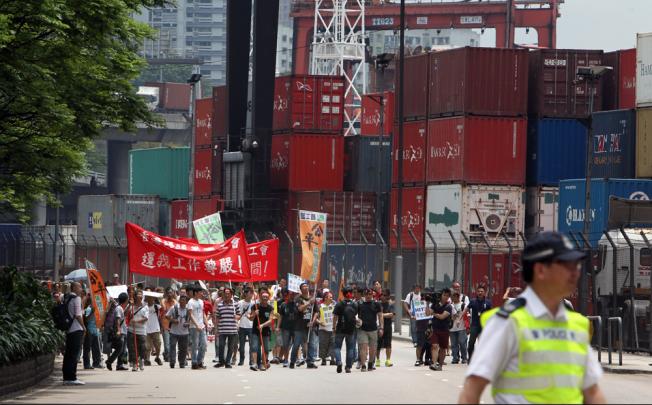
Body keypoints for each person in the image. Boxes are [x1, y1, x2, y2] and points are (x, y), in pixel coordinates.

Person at [459, 232, 606, 404]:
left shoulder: (576, 325)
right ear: (540, 270)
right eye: (566, 265)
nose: (575, 272)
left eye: (577, 265)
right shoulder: (508, 322)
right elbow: (471, 391)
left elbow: (592, 392)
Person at [62, 282, 86, 385]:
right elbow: (78, 315)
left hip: (69, 329)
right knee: (74, 354)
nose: (81, 288)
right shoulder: (76, 298)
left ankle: (66, 377)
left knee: (68, 354)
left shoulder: (67, 297)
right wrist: (84, 327)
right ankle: (72, 377)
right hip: (76, 329)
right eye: (79, 287)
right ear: (74, 288)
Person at [291, 283, 318, 369]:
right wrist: (309, 302)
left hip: (309, 326)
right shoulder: (298, 299)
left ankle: (310, 362)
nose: (306, 288)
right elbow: (300, 309)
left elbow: (316, 312)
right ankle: (292, 361)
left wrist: (313, 322)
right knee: (296, 344)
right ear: (301, 289)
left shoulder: (313, 298)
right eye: (304, 287)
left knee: (311, 344)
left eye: (307, 286)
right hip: (299, 326)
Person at [332, 287, 358, 374]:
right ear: (350, 293)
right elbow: (355, 315)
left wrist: (334, 327)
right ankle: (348, 367)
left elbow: (335, 316)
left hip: (340, 328)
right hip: (351, 329)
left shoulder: (339, 304)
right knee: (350, 348)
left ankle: (339, 362)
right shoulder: (354, 304)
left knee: (337, 347)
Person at [427, 288, 454, 371]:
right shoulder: (435, 304)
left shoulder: (449, 306)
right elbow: (427, 313)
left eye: (447, 296)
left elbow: (442, 317)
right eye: (444, 295)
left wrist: (434, 313)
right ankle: (434, 363)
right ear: (441, 295)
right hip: (435, 329)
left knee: (443, 348)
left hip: (445, 330)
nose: (445, 297)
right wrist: (427, 303)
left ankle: (440, 365)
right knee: (434, 345)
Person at [357, 288, 383, 372]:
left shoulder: (376, 304)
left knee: (373, 348)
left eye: (370, 294)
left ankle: (370, 363)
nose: (368, 296)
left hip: (373, 329)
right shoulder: (360, 304)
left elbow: (380, 316)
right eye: (366, 294)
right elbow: (354, 314)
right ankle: (363, 364)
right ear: (364, 295)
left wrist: (381, 328)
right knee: (363, 347)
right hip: (362, 329)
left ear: (372, 295)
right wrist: (357, 321)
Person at [214, 287, 240, 369]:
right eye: (226, 293)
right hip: (222, 329)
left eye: (229, 293)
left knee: (231, 347)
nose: (227, 294)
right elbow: (217, 317)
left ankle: (228, 362)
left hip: (232, 329)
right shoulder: (220, 304)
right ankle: (221, 361)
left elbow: (239, 315)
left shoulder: (235, 304)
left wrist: (237, 316)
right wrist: (216, 328)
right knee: (221, 345)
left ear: (231, 294)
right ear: (223, 294)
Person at [249, 289, 274, 371]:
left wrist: (262, 325)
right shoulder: (255, 306)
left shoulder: (271, 308)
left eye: (266, 297)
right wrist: (254, 314)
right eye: (263, 297)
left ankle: (264, 363)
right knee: (255, 347)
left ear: (268, 298)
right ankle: (255, 364)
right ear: (260, 297)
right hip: (255, 331)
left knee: (266, 349)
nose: (265, 298)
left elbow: (271, 320)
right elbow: (251, 319)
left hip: (265, 331)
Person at [467, 286, 492, 362]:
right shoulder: (473, 301)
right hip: (474, 325)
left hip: (484, 326)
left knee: (483, 343)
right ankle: (470, 358)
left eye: (482, 291)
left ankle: (482, 359)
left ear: (484, 292)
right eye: (479, 291)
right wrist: (464, 316)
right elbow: (466, 309)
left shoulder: (488, 302)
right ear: (476, 292)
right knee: (471, 342)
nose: (480, 293)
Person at [166, 294, 191, 369]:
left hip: (184, 332)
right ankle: (172, 362)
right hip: (174, 332)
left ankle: (182, 362)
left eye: (184, 300)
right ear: (179, 300)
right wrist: (173, 320)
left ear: (186, 302)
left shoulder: (188, 309)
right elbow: (167, 316)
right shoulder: (174, 308)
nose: (182, 302)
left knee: (183, 348)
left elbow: (191, 319)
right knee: (172, 346)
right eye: (181, 300)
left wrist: (188, 323)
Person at [126, 289, 149, 372]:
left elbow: (146, 318)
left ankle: (141, 360)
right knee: (132, 348)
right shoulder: (131, 306)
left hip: (142, 331)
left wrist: (136, 321)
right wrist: (129, 305)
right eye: (138, 294)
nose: (140, 296)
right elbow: (125, 314)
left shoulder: (145, 307)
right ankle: (135, 364)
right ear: (135, 296)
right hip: (132, 330)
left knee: (143, 347)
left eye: (141, 295)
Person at [106, 292, 129, 371]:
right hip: (121, 331)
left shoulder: (121, 308)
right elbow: (118, 319)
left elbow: (124, 315)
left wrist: (130, 306)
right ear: (125, 300)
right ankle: (109, 361)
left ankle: (119, 365)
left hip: (124, 331)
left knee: (122, 349)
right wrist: (119, 330)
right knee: (119, 348)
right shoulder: (118, 308)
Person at [188, 286, 208, 370]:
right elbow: (190, 314)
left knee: (204, 344)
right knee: (195, 345)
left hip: (201, 326)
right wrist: (196, 325)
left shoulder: (201, 302)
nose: (202, 294)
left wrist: (206, 322)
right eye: (200, 292)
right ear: (196, 293)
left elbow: (202, 313)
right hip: (194, 327)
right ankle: (194, 363)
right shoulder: (190, 302)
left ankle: (200, 362)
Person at [278, 289, 297, 368]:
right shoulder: (283, 305)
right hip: (285, 328)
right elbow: (280, 316)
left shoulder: (297, 304)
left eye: (293, 294)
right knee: (286, 345)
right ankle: (285, 360)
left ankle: (294, 359)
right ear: (287, 296)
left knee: (295, 344)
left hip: (296, 327)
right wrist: (278, 327)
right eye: (290, 294)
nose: (291, 296)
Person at [82, 293, 102, 369]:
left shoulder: (96, 309)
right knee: (87, 348)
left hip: (95, 330)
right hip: (89, 330)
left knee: (96, 348)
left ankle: (96, 363)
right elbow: (86, 319)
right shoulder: (88, 309)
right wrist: (92, 312)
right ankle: (86, 364)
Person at [449, 291, 468, 365]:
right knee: (454, 344)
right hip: (452, 328)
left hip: (461, 327)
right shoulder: (450, 306)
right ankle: (455, 358)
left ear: (457, 297)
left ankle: (464, 358)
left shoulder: (463, 305)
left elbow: (467, 315)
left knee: (462, 343)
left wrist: (468, 326)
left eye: (453, 297)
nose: (452, 298)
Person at [377, 289, 395, 367]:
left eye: (384, 295)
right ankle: (377, 360)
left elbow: (392, 314)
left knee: (388, 344)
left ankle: (388, 360)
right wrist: (383, 315)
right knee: (378, 345)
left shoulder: (390, 304)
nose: (382, 296)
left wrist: (381, 315)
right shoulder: (378, 304)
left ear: (388, 296)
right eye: (382, 295)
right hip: (379, 327)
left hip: (388, 327)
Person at [237, 287, 254, 367]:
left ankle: (251, 360)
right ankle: (241, 360)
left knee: (252, 345)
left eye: (252, 293)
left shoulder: (254, 303)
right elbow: (238, 313)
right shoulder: (240, 303)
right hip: (242, 326)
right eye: (250, 293)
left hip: (251, 326)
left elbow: (254, 315)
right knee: (242, 345)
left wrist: (250, 315)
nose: (251, 295)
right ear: (246, 294)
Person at [318, 291, 336, 366]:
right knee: (323, 345)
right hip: (323, 329)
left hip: (332, 328)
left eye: (332, 297)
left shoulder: (334, 306)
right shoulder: (320, 306)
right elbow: (315, 317)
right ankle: (323, 359)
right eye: (330, 297)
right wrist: (319, 322)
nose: (331, 298)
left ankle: (332, 359)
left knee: (333, 344)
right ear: (325, 298)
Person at [144, 294, 163, 366]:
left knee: (158, 344)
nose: (150, 299)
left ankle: (157, 357)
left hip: (156, 328)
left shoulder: (157, 307)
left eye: (151, 297)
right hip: (146, 329)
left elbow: (162, 312)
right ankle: (147, 360)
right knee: (147, 346)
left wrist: (161, 300)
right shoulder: (144, 307)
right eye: (148, 297)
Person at [160, 287, 176, 363]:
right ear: (166, 293)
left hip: (172, 325)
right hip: (165, 324)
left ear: (173, 293)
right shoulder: (163, 301)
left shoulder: (175, 302)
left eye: (171, 292)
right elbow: (164, 308)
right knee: (166, 344)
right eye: (168, 292)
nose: (170, 294)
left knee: (171, 343)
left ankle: (166, 355)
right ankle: (167, 354)